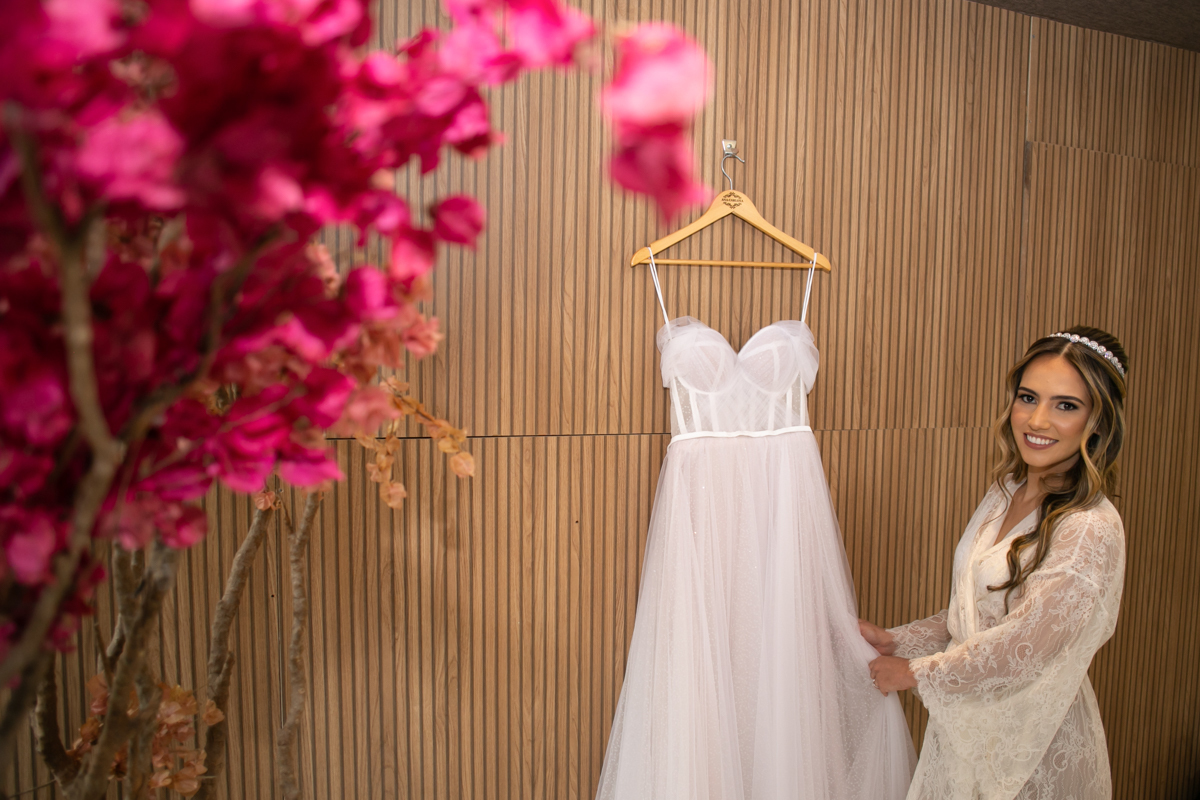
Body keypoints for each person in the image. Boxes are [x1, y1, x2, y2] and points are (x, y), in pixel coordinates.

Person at [858, 326, 1129, 799]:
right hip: (965, 743)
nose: (1037, 420)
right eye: (1028, 397)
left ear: (1099, 422)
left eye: (1066, 405)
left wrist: (914, 672)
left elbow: (1025, 646)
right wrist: (896, 640)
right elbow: (978, 613)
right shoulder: (1007, 491)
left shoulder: (1088, 527)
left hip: (1032, 752)